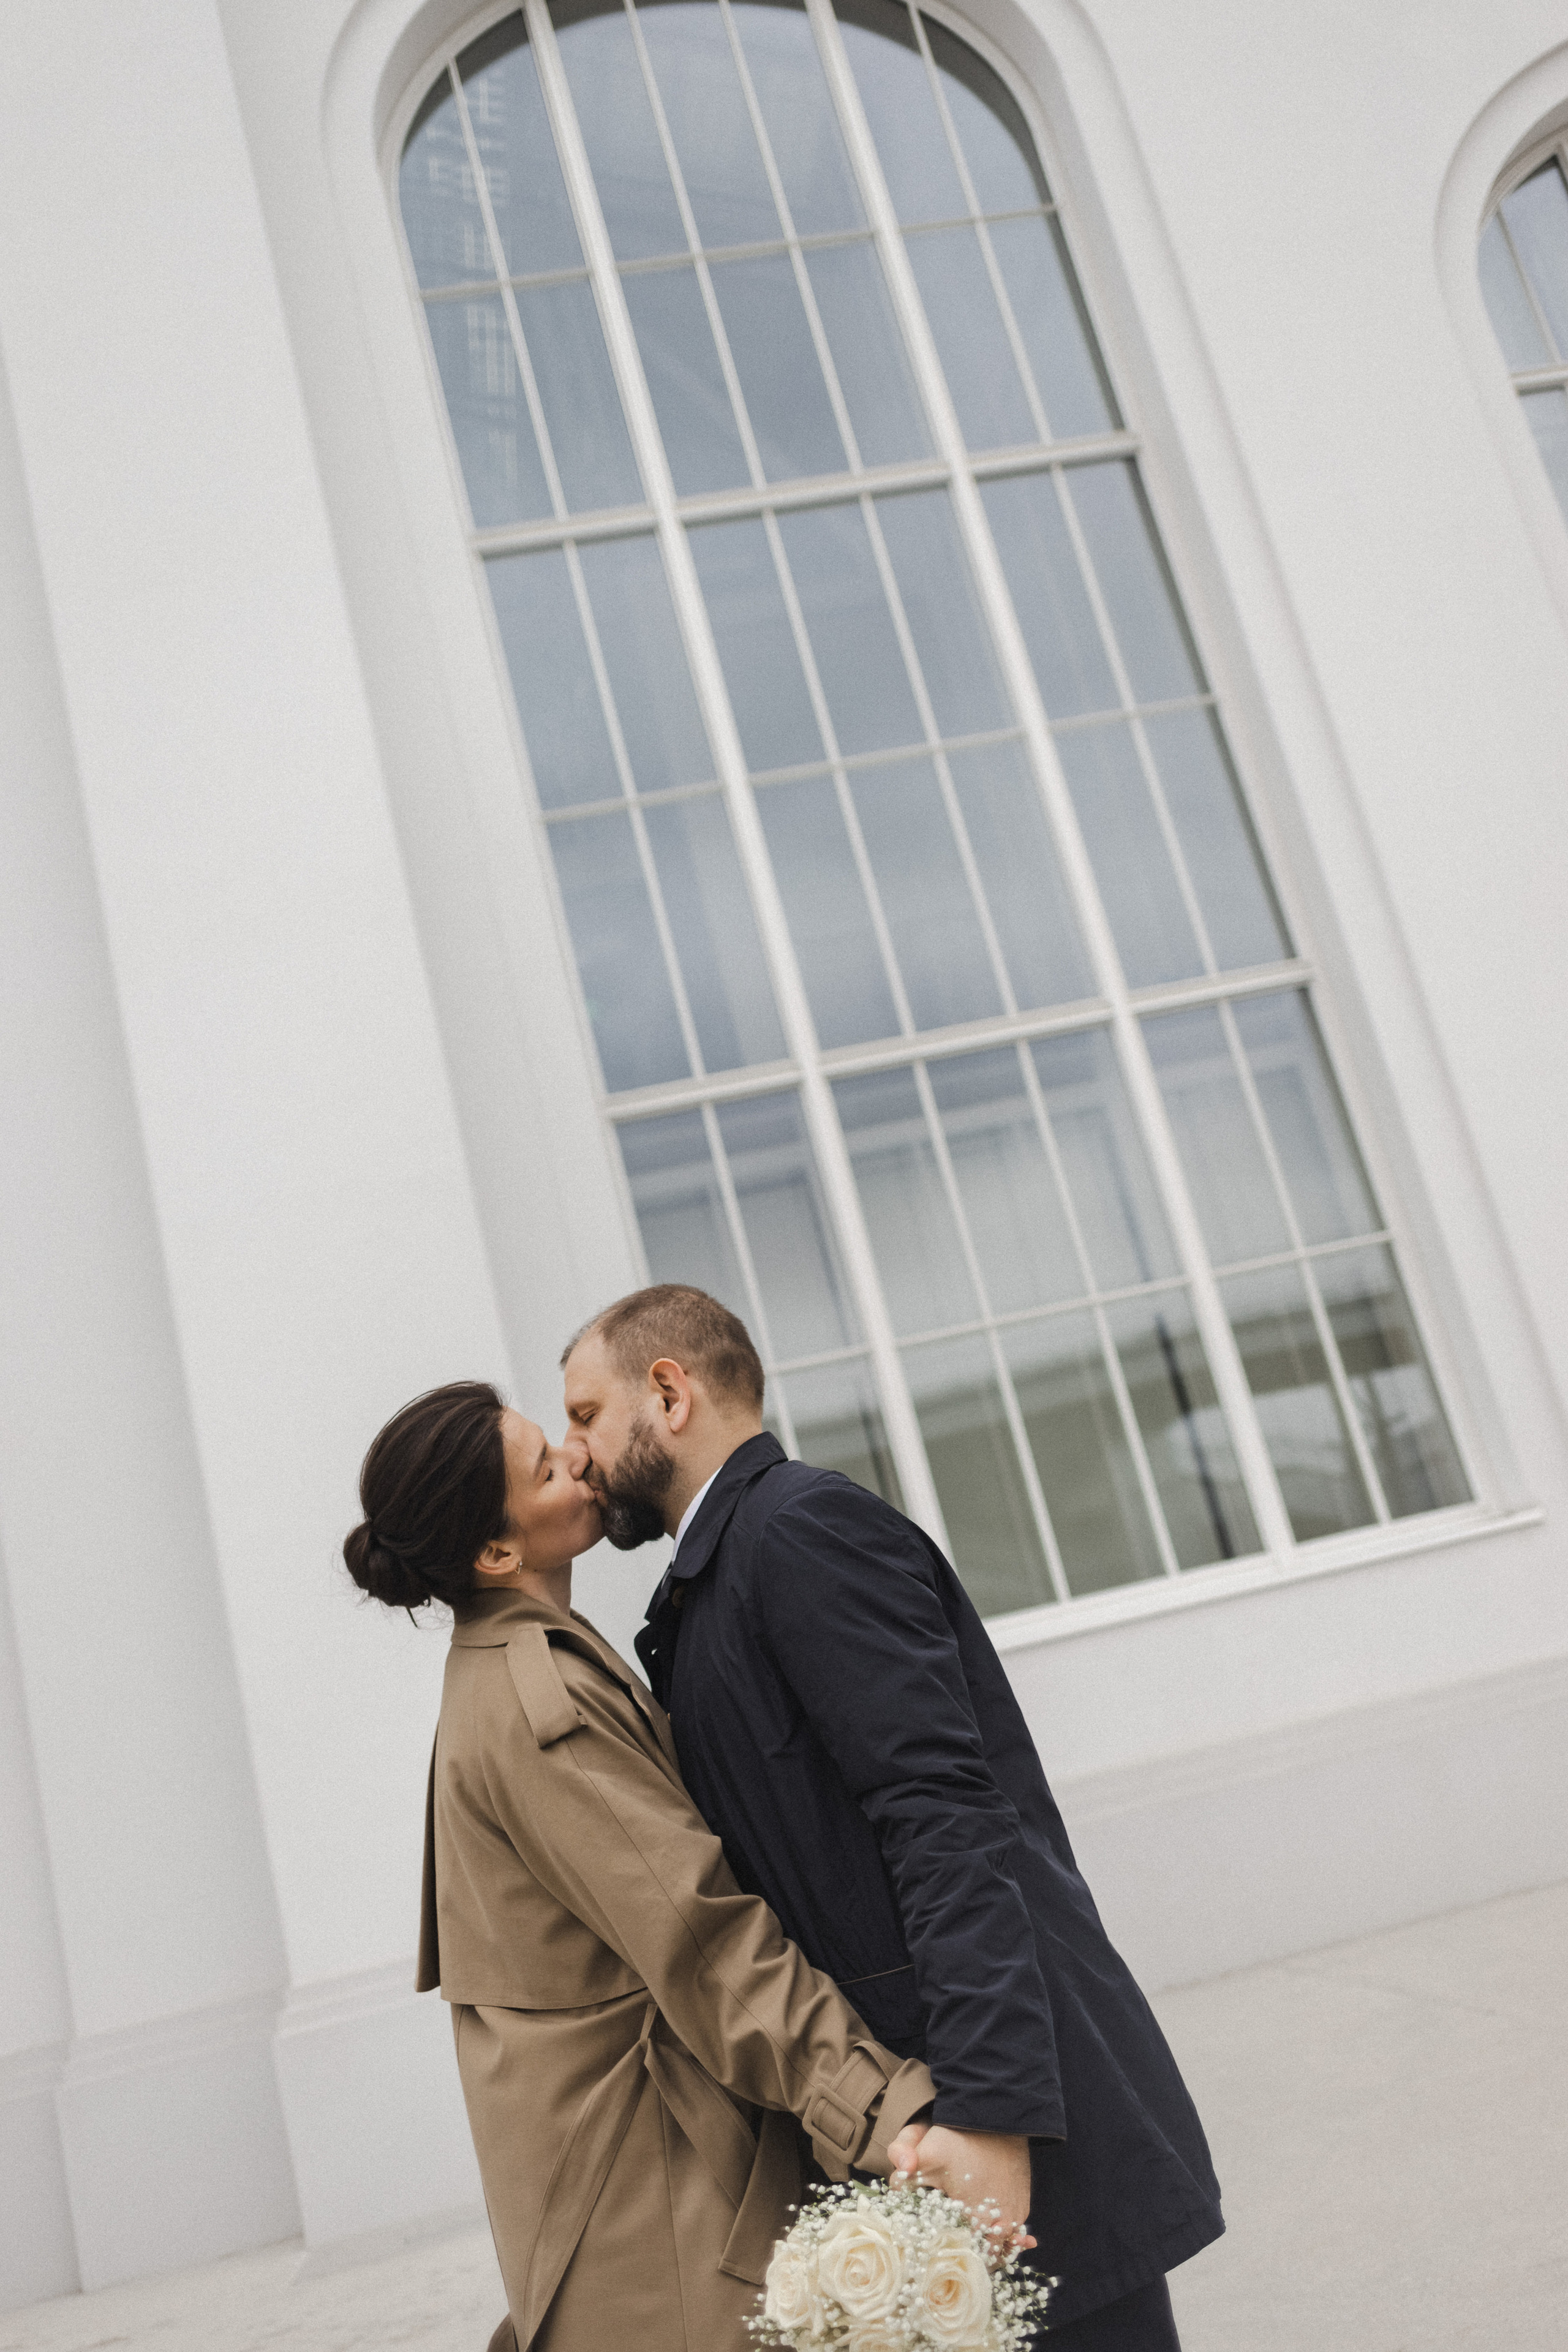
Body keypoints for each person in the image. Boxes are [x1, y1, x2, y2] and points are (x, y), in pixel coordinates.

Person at [563, 1287, 1226, 2350]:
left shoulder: (802, 1531)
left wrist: (993, 2113)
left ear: (670, 1393)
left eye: (586, 1415)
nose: (577, 1452)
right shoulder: (714, 1582)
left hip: (993, 2109)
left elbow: (946, 1818)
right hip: (914, 2115)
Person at [343, 1379, 935, 2352]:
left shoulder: (516, 1666)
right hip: (657, 2207)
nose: (578, 1456)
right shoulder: (545, 1711)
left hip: (631, 2191)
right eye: (545, 1465)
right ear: (497, 1551)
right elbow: (703, 1944)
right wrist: (886, 2113)